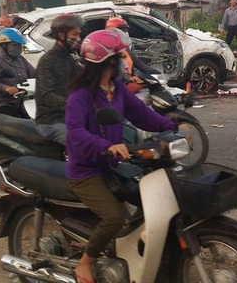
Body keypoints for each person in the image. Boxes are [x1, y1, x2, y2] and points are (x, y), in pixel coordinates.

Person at [65, 28, 178, 283]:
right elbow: (75, 135)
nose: (121, 62)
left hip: (114, 165)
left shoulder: (115, 88)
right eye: (117, 58)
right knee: (115, 218)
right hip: (86, 171)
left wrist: (172, 126)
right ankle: (85, 263)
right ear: (105, 62)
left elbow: (140, 113)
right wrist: (106, 146)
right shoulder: (80, 96)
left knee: (156, 201)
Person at [34, 13, 85, 144]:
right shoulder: (47, 60)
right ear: (61, 36)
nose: (78, 39)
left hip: (70, 117)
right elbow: (48, 95)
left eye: (79, 35)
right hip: (51, 121)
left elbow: (83, 83)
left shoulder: (71, 59)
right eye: (74, 35)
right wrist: (74, 104)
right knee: (82, 143)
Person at [0, 28, 36, 118]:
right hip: (3, 104)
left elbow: (35, 75)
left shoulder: (22, 60)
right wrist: (5, 88)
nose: (19, 48)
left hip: (22, 102)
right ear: (4, 45)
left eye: (20, 45)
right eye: (15, 45)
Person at [105, 17, 160, 94]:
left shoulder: (126, 51)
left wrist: (158, 74)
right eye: (123, 30)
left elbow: (141, 65)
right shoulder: (108, 53)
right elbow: (112, 78)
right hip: (117, 91)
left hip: (130, 89)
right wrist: (128, 81)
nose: (126, 33)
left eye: (126, 30)